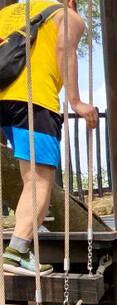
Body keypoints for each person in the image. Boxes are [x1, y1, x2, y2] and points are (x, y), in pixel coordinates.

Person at [0, 0, 98, 275]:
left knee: (29, 178)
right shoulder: (68, 15)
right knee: (39, 180)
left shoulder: (7, 13)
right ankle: (16, 252)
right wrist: (75, 101)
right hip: (34, 100)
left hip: (3, 99)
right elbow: (64, 50)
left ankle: (24, 240)